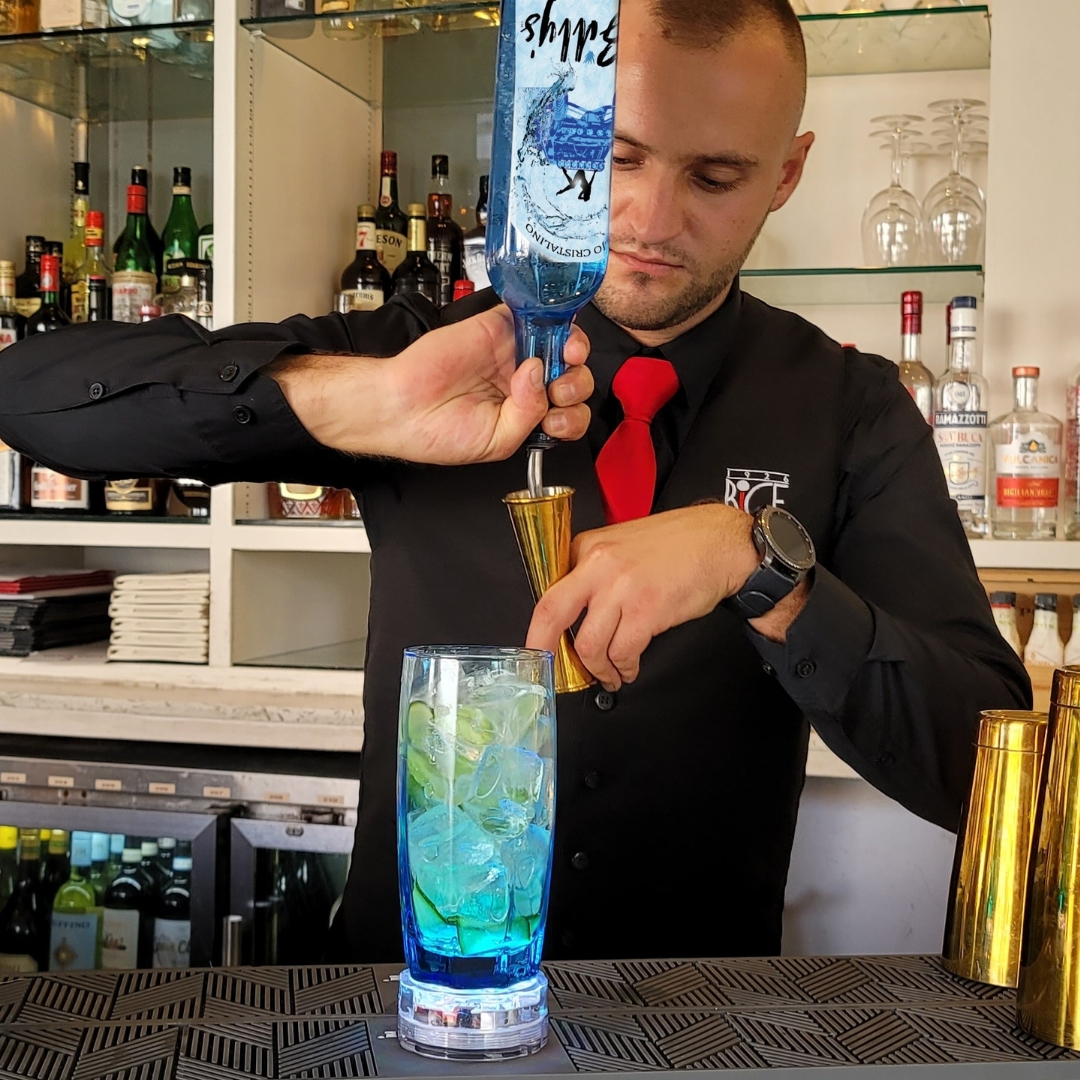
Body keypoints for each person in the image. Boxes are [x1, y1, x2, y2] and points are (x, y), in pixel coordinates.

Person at [0, 0, 1028, 962]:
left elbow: (984, 766)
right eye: (615, 156)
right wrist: (355, 403)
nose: (650, 216)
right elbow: (31, 399)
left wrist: (764, 566)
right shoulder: (417, 350)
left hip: (696, 1019)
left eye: (715, 177)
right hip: (400, 998)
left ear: (788, 173)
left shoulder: (851, 405)